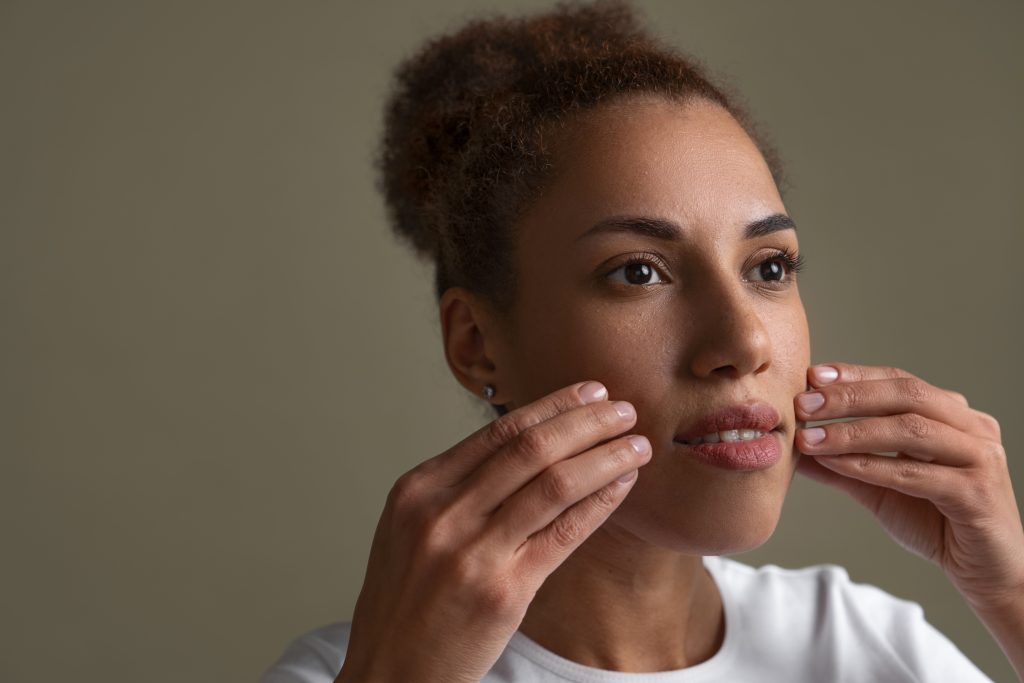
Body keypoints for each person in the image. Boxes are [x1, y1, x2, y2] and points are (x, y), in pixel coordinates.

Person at [261, 1, 1024, 681]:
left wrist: (1011, 590)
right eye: (638, 271)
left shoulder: (863, 642)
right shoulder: (354, 673)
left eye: (768, 265)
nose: (743, 339)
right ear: (477, 345)